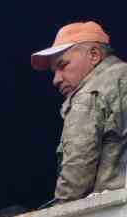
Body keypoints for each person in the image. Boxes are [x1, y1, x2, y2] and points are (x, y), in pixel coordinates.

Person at [32, 21, 127, 202]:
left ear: (94, 55)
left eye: (62, 65)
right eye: (54, 72)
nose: (56, 80)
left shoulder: (90, 93)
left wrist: (61, 211)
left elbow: (76, 178)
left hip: (114, 215)